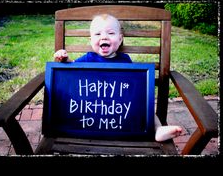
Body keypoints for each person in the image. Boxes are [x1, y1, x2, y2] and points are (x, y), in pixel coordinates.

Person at [54, 13, 182, 142]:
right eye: (98, 34)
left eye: (110, 33)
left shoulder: (124, 60)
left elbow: (134, 83)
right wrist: (65, 59)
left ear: (120, 39)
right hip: (92, 108)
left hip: (120, 108)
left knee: (145, 105)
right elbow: (72, 69)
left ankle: (157, 129)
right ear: (91, 40)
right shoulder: (88, 58)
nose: (104, 37)